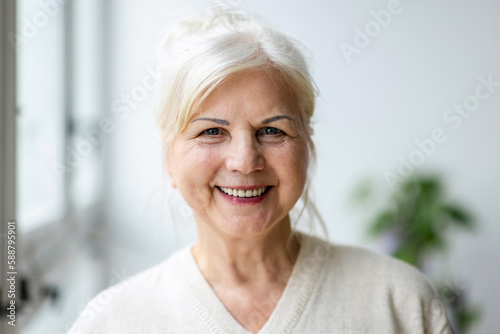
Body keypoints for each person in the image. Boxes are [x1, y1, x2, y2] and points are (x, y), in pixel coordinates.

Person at [69, 6, 453, 334]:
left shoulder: (400, 303)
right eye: (212, 131)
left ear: (308, 143)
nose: (244, 161)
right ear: (169, 157)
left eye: (272, 130)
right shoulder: (112, 322)